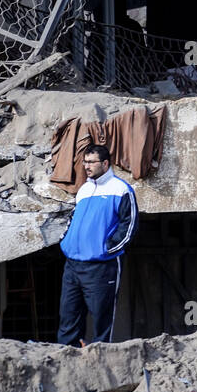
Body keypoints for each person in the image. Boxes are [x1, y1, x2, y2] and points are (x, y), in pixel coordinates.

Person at [57, 144, 138, 346]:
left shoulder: (120, 189)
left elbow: (130, 224)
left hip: (101, 266)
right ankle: (68, 358)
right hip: (73, 265)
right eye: (85, 162)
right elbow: (73, 218)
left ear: (104, 163)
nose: (86, 166)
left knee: (102, 318)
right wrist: (66, 240)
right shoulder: (84, 189)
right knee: (68, 317)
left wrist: (107, 248)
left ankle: (100, 363)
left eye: (91, 162)